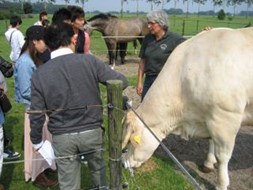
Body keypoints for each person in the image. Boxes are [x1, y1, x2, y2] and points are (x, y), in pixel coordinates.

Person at [29, 22, 128, 190]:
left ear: (47, 44)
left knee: (68, 183)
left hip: (62, 136)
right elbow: (122, 81)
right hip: (92, 131)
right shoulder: (89, 61)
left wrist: (37, 141)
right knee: (98, 175)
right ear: (72, 40)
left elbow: (36, 113)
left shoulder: (39, 74)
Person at [14, 25, 57, 187]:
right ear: (34, 41)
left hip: (40, 107)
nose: (45, 45)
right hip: (35, 109)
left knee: (44, 139)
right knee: (36, 142)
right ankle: (37, 174)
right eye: (43, 41)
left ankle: (44, 168)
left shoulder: (32, 58)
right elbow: (26, 91)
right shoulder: (25, 62)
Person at [136, 10, 185, 100]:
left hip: (165, 80)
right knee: (145, 105)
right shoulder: (147, 38)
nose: (148, 26)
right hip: (149, 79)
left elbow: (192, 45)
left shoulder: (174, 39)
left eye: (152, 23)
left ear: (161, 23)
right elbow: (142, 61)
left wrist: (205, 33)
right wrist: (139, 82)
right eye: (148, 23)